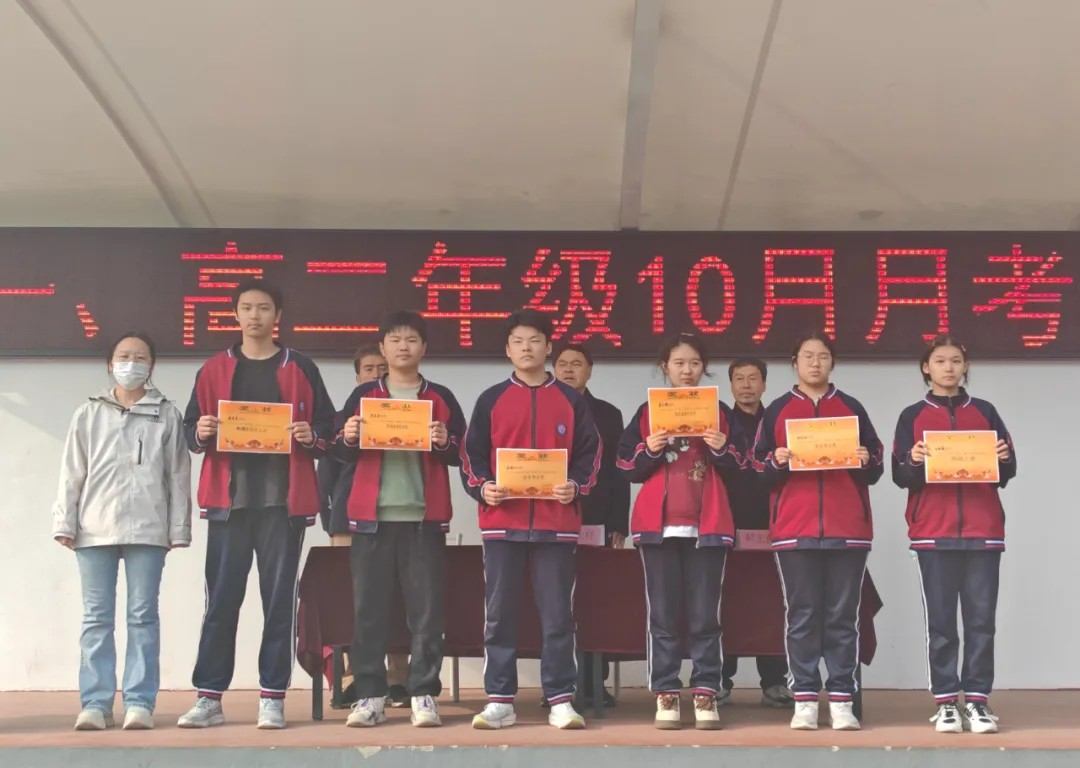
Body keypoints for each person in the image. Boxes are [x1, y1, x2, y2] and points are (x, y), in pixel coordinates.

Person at [177, 279, 334, 730]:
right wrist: (201, 431)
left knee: (278, 602)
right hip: (229, 502)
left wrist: (311, 435)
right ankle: (209, 697)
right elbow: (190, 430)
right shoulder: (213, 368)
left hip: (283, 503)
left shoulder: (300, 366)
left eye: (263, 308)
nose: (254, 316)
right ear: (235, 314)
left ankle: (272, 697)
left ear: (277, 316)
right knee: (221, 601)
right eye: (246, 307)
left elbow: (328, 427)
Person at [461, 309, 600, 730]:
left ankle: (560, 698)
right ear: (507, 350)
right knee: (499, 614)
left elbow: (590, 454)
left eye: (535, 340)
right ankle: (500, 699)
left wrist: (576, 486)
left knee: (558, 615)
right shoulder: (491, 399)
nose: (527, 348)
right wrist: (483, 486)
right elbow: (472, 454)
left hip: (557, 525)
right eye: (518, 341)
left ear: (548, 347)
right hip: (502, 523)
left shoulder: (571, 400)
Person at [52, 331, 192, 731]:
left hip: (149, 530)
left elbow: (178, 475)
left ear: (152, 366)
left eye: (140, 357)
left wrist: (178, 528)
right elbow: (72, 471)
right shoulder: (88, 413)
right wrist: (65, 522)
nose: (132, 363)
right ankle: (95, 703)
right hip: (94, 529)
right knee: (96, 619)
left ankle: (139, 702)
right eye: (124, 356)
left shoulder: (166, 414)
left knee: (142, 616)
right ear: (110, 364)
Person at [336, 311, 466, 729]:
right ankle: (370, 694)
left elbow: (462, 452)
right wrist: (349, 435)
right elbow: (339, 450)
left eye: (411, 339)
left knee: (426, 613)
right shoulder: (363, 397)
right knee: (368, 611)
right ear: (382, 348)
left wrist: (445, 441)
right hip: (371, 518)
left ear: (424, 348)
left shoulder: (440, 396)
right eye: (395, 340)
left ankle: (423, 692)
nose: (403, 346)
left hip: (423, 517)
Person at [752, 331, 883, 731]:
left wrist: (864, 458)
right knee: (803, 616)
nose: (815, 363)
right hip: (795, 528)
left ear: (832, 362)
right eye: (807, 356)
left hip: (848, 529)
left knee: (843, 617)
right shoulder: (777, 410)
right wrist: (775, 460)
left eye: (823, 356)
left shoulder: (851, 407)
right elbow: (757, 467)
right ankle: (805, 698)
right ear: (794, 363)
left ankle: (842, 699)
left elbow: (877, 465)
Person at [891, 335, 1016, 734]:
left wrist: (1003, 458)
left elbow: (1008, 470)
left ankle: (977, 701)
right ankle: (946, 702)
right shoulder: (912, 416)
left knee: (981, 621)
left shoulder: (985, 411)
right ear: (926, 368)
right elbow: (899, 475)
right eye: (940, 361)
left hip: (984, 531)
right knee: (942, 624)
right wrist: (913, 460)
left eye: (956, 361)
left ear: (965, 367)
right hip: (933, 532)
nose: (949, 367)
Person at [617, 333, 739, 730]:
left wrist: (721, 447)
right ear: (665, 367)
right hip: (658, 527)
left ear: (704, 368)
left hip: (709, 525)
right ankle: (666, 691)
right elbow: (626, 467)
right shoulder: (647, 412)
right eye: (679, 363)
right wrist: (650, 448)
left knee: (705, 615)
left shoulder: (720, 412)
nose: (687, 371)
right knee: (663, 615)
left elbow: (745, 465)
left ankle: (706, 690)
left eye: (694, 363)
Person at [553, 342, 630, 708]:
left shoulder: (608, 414)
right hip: (551, 518)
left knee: (595, 602)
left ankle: (595, 682)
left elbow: (618, 472)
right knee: (556, 603)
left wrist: (619, 523)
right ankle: (559, 685)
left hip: (596, 518)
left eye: (577, 364)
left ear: (589, 371)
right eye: (563, 364)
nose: (569, 370)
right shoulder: (544, 406)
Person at [316, 345, 388, 707]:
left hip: (393, 518)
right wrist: (330, 521)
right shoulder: (341, 418)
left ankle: (397, 676)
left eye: (381, 368)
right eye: (369, 368)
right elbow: (325, 475)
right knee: (348, 601)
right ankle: (349, 677)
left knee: (394, 598)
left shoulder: (407, 413)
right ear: (357, 375)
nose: (376, 374)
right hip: (347, 520)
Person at [720, 357, 793, 708]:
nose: (747, 385)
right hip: (728, 522)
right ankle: (721, 680)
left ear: (764, 384)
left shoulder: (778, 420)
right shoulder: (719, 422)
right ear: (731, 385)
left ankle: (775, 681)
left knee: (772, 604)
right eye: (739, 379)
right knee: (727, 603)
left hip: (774, 521)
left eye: (753, 379)